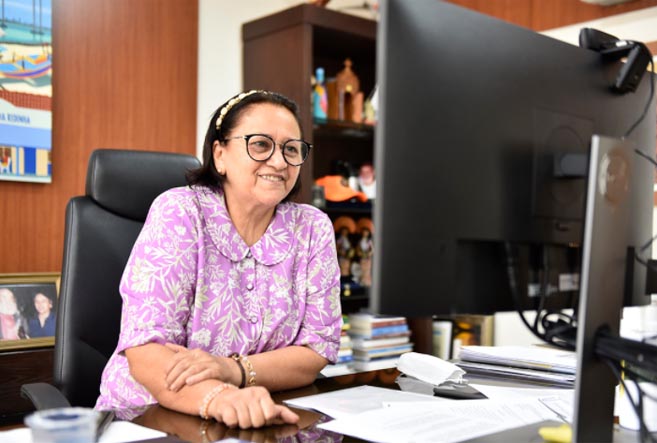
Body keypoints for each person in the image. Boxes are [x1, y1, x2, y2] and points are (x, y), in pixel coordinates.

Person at [96, 90, 342, 429]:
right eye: (260, 145)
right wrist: (220, 397)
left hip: (254, 416)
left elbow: (316, 351)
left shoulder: (313, 228)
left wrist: (232, 370)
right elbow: (146, 351)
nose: (279, 162)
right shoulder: (180, 212)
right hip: (147, 417)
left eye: (291, 149)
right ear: (220, 154)